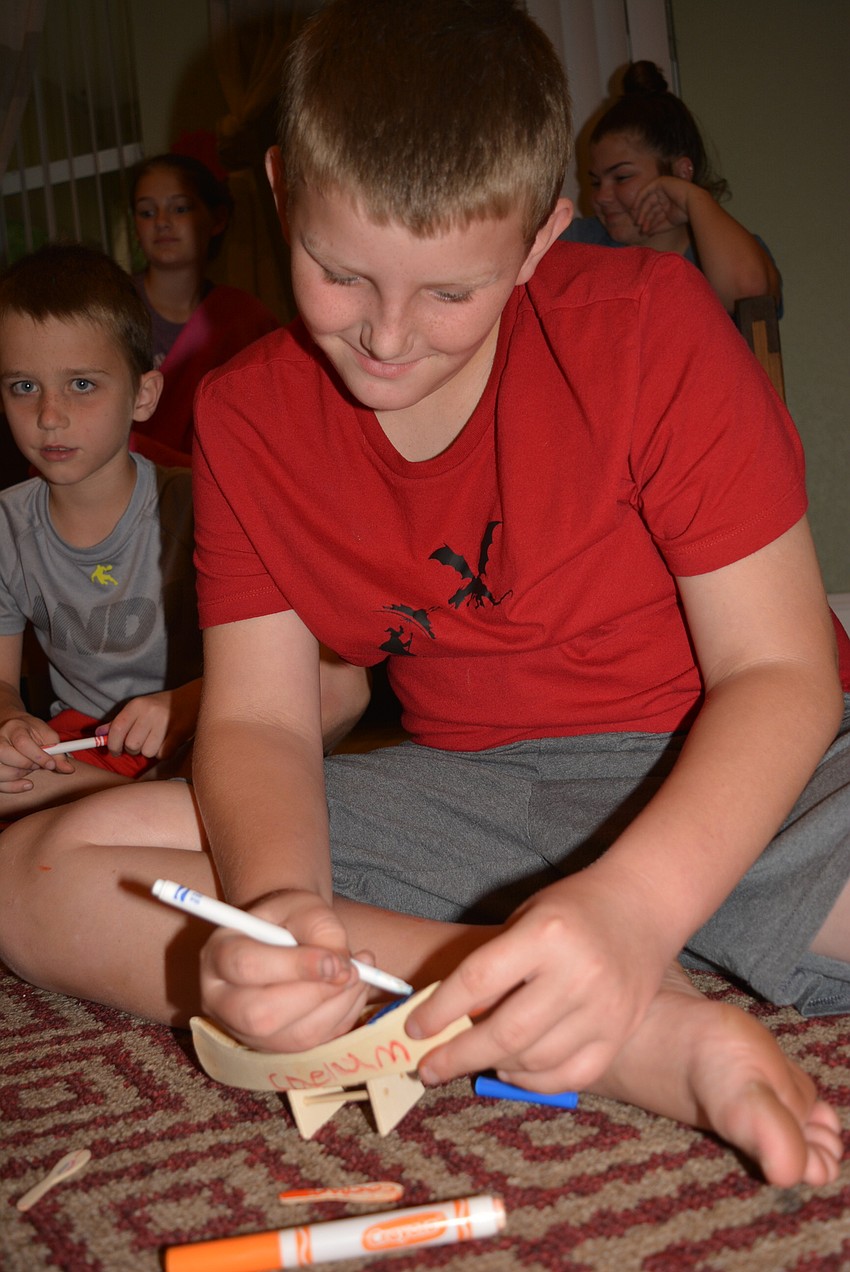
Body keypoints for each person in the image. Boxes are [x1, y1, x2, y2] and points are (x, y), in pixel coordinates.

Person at [1, 0, 849, 1192]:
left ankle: (594, 955)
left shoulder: (652, 327)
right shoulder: (247, 417)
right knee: (39, 880)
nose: (387, 338)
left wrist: (634, 906)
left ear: (542, 234)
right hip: (475, 796)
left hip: (736, 770)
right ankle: (643, 1037)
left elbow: (778, 675)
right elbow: (259, 720)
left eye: (450, 294)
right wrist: (285, 907)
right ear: (286, 191)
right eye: (342, 274)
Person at [0, 243, 203, 818]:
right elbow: (3, 688)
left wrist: (188, 703)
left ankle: (149, 809)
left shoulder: (196, 505)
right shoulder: (5, 528)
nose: (49, 416)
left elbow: (273, 682)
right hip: (78, 749)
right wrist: (12, 722)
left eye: (82, 385)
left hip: (200, 732)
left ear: (143, 394)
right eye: (23, 386)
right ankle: (152, 810)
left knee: (244, 762)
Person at [562, 61, 782, 314]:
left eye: (621, 177)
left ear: (681, 172)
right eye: (596, 182)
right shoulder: (580, 243)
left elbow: (749, 300)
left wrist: (694, 199)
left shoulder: (730, 247)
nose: (600, 197)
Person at [129, 152, 280, 466]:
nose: (161, 222)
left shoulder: (247, 319)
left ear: (218, 219)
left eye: (180, 208)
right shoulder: (108, 308)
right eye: (146, 212)